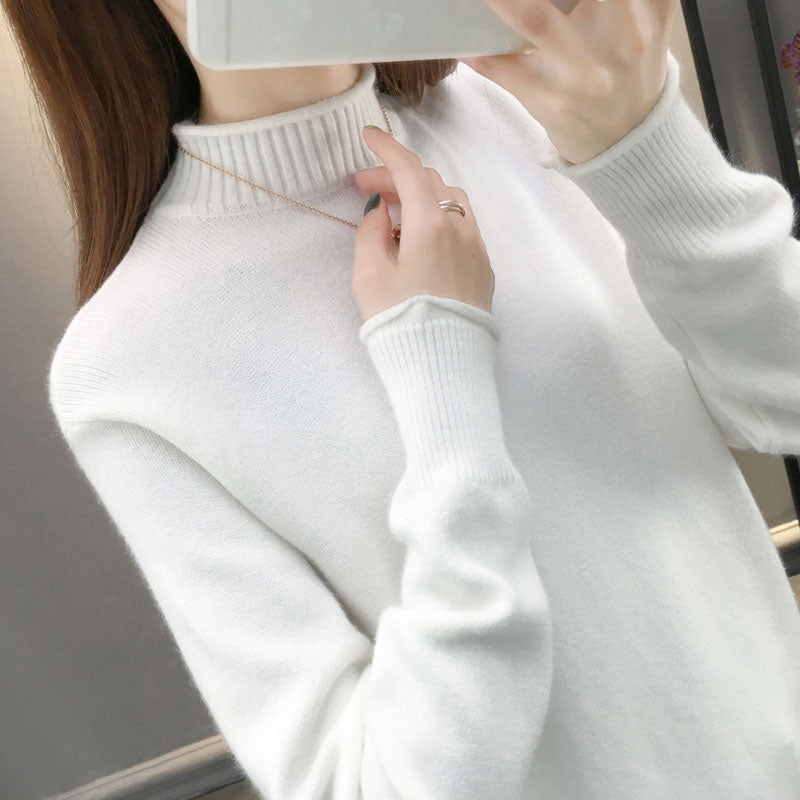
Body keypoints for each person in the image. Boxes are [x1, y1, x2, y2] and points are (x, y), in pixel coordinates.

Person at [7, 0, 800, 796]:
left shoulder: (539, 96)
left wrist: (643, 143)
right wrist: (440, 371)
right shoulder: (127, 370)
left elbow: (784, 402)